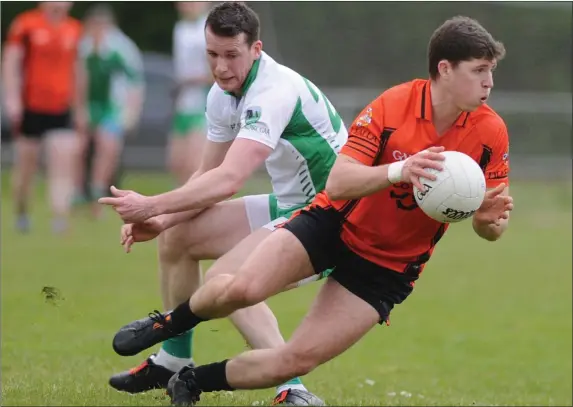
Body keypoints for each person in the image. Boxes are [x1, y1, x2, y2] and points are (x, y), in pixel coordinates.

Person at [108, 15, 515, 406]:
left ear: (255, 49)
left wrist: (484, 222)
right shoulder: (393, 105)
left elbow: (492, 226)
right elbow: (337, 184)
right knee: (234, 284)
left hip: (388, 268)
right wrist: (399, 171)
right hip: (332, 222)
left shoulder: (490, 132)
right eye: (480, 70)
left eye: (490, 71)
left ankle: (193, 379)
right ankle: (170, 331)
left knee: (294, 359)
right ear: (445, 69)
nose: (489, 82)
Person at [99, 2, 347, 405]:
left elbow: (230, 179)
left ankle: (292, 386)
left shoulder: (273, 92)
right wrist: (162, 218)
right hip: (292, 205)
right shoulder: (222, 94)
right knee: (179, 237)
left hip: (332, 219)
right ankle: (173, 361)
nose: (221, 67)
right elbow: (207, 174)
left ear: (256, 49)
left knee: (225, 283)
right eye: (212, 54)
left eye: (231, 55)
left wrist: (150, 205)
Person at [2, 1, 84, 234]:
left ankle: (59, 217)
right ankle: (22, 211)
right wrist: (12, 99)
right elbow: (11, 61)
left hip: (61, 107)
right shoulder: (26, 24)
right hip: (31, 107)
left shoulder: (74, 29)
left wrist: (80, 107)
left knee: (62, 162)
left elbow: (78, 70)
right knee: (27, 167)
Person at [73, 4, 145, 217]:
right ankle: (77, 191)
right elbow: (79, 78)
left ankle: (98, 192)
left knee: (107, 146)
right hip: (91, 104)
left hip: (112, 108)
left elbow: (135, 81)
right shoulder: (83, 46)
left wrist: (131, 112)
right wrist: (79, 108)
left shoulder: (120, 49)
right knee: (79, 147)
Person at [168, 1, 213, 185]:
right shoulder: (179, 29)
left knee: (194, 164)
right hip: (182, 104)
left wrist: (193, 80)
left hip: (202, 104)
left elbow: (217, 72)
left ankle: (197, 209)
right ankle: (182, 208)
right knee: (176, 163)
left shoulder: (210, 29)